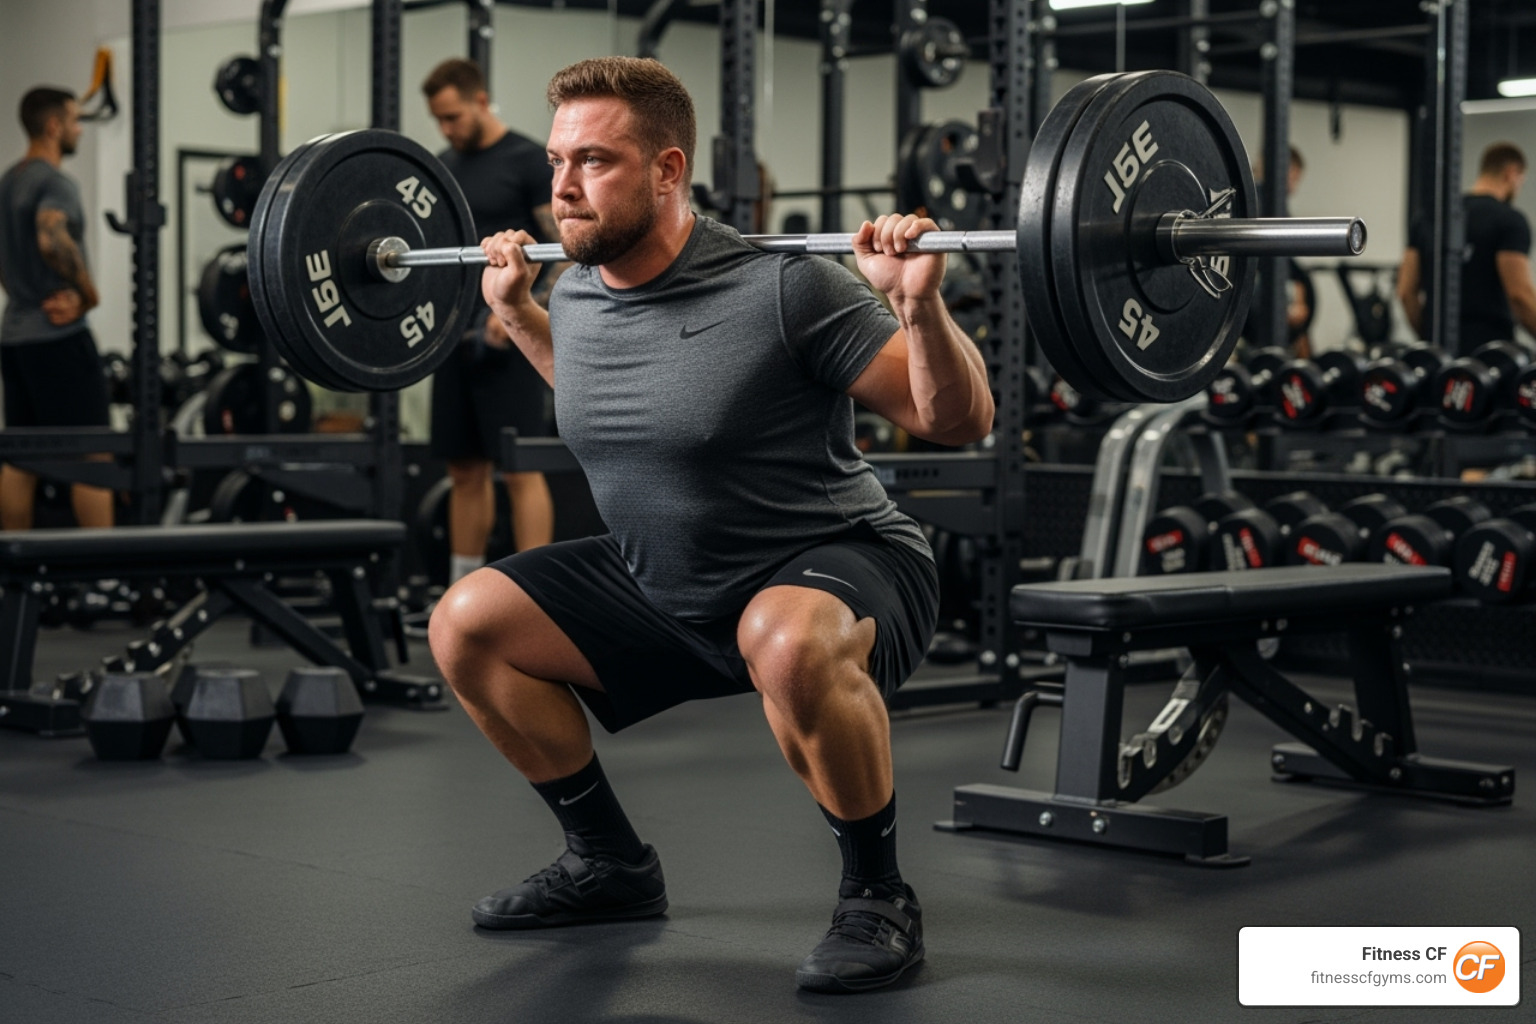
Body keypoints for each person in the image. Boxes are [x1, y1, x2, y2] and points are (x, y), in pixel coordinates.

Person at [428, 57, 993, 993]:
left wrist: (918, 303)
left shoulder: (785, 287)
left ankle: (878, 895)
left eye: (594, 161)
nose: (562, 187)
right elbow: (618, 400)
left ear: (667, 170)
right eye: (559, 161)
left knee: (785, 636)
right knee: (466, 623)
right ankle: (608, 863)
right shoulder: (576, 290)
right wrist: (521, 316)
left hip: (835, 562)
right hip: (667, 579)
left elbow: (956, 421)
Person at [421, 58, 561, 581]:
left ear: (480, 101)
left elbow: (563, 251)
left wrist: (521, 310)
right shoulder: (442, 169)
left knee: (521, 467)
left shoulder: (527, 161)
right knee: (463, 469)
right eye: (439, 119)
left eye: (453, 116)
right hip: (453, 336)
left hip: (513, 338)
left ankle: (535, 593)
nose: (446, 129)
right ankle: (462, 590)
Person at [0, 86, 113, 530]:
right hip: (58, 337)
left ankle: (15, 564)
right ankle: (105, 568)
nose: (79, 129)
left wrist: (21, 293)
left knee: (21, 460)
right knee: (95, 459)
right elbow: (52, 238)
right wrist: (88, 296)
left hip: (15, 338)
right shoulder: (55, 182)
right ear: (53, 127)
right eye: (74, 120)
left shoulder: (7, 182)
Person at [1398, 142, 1536, 354]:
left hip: (1438, 353)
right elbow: (1520, 296)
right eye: (1521, 182)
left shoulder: (1428, 218)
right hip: (1490, 356)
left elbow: (1406, 291)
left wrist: (1428, 338)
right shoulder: (1510, 220)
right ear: (1511, 173)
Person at [1244, 145, 1315, 357]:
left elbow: (1287, 262)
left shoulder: (1273, 204)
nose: (1294, 188)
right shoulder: (1257, 201)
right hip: (1253, 309)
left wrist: (1299, 298)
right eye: (1293, 179)